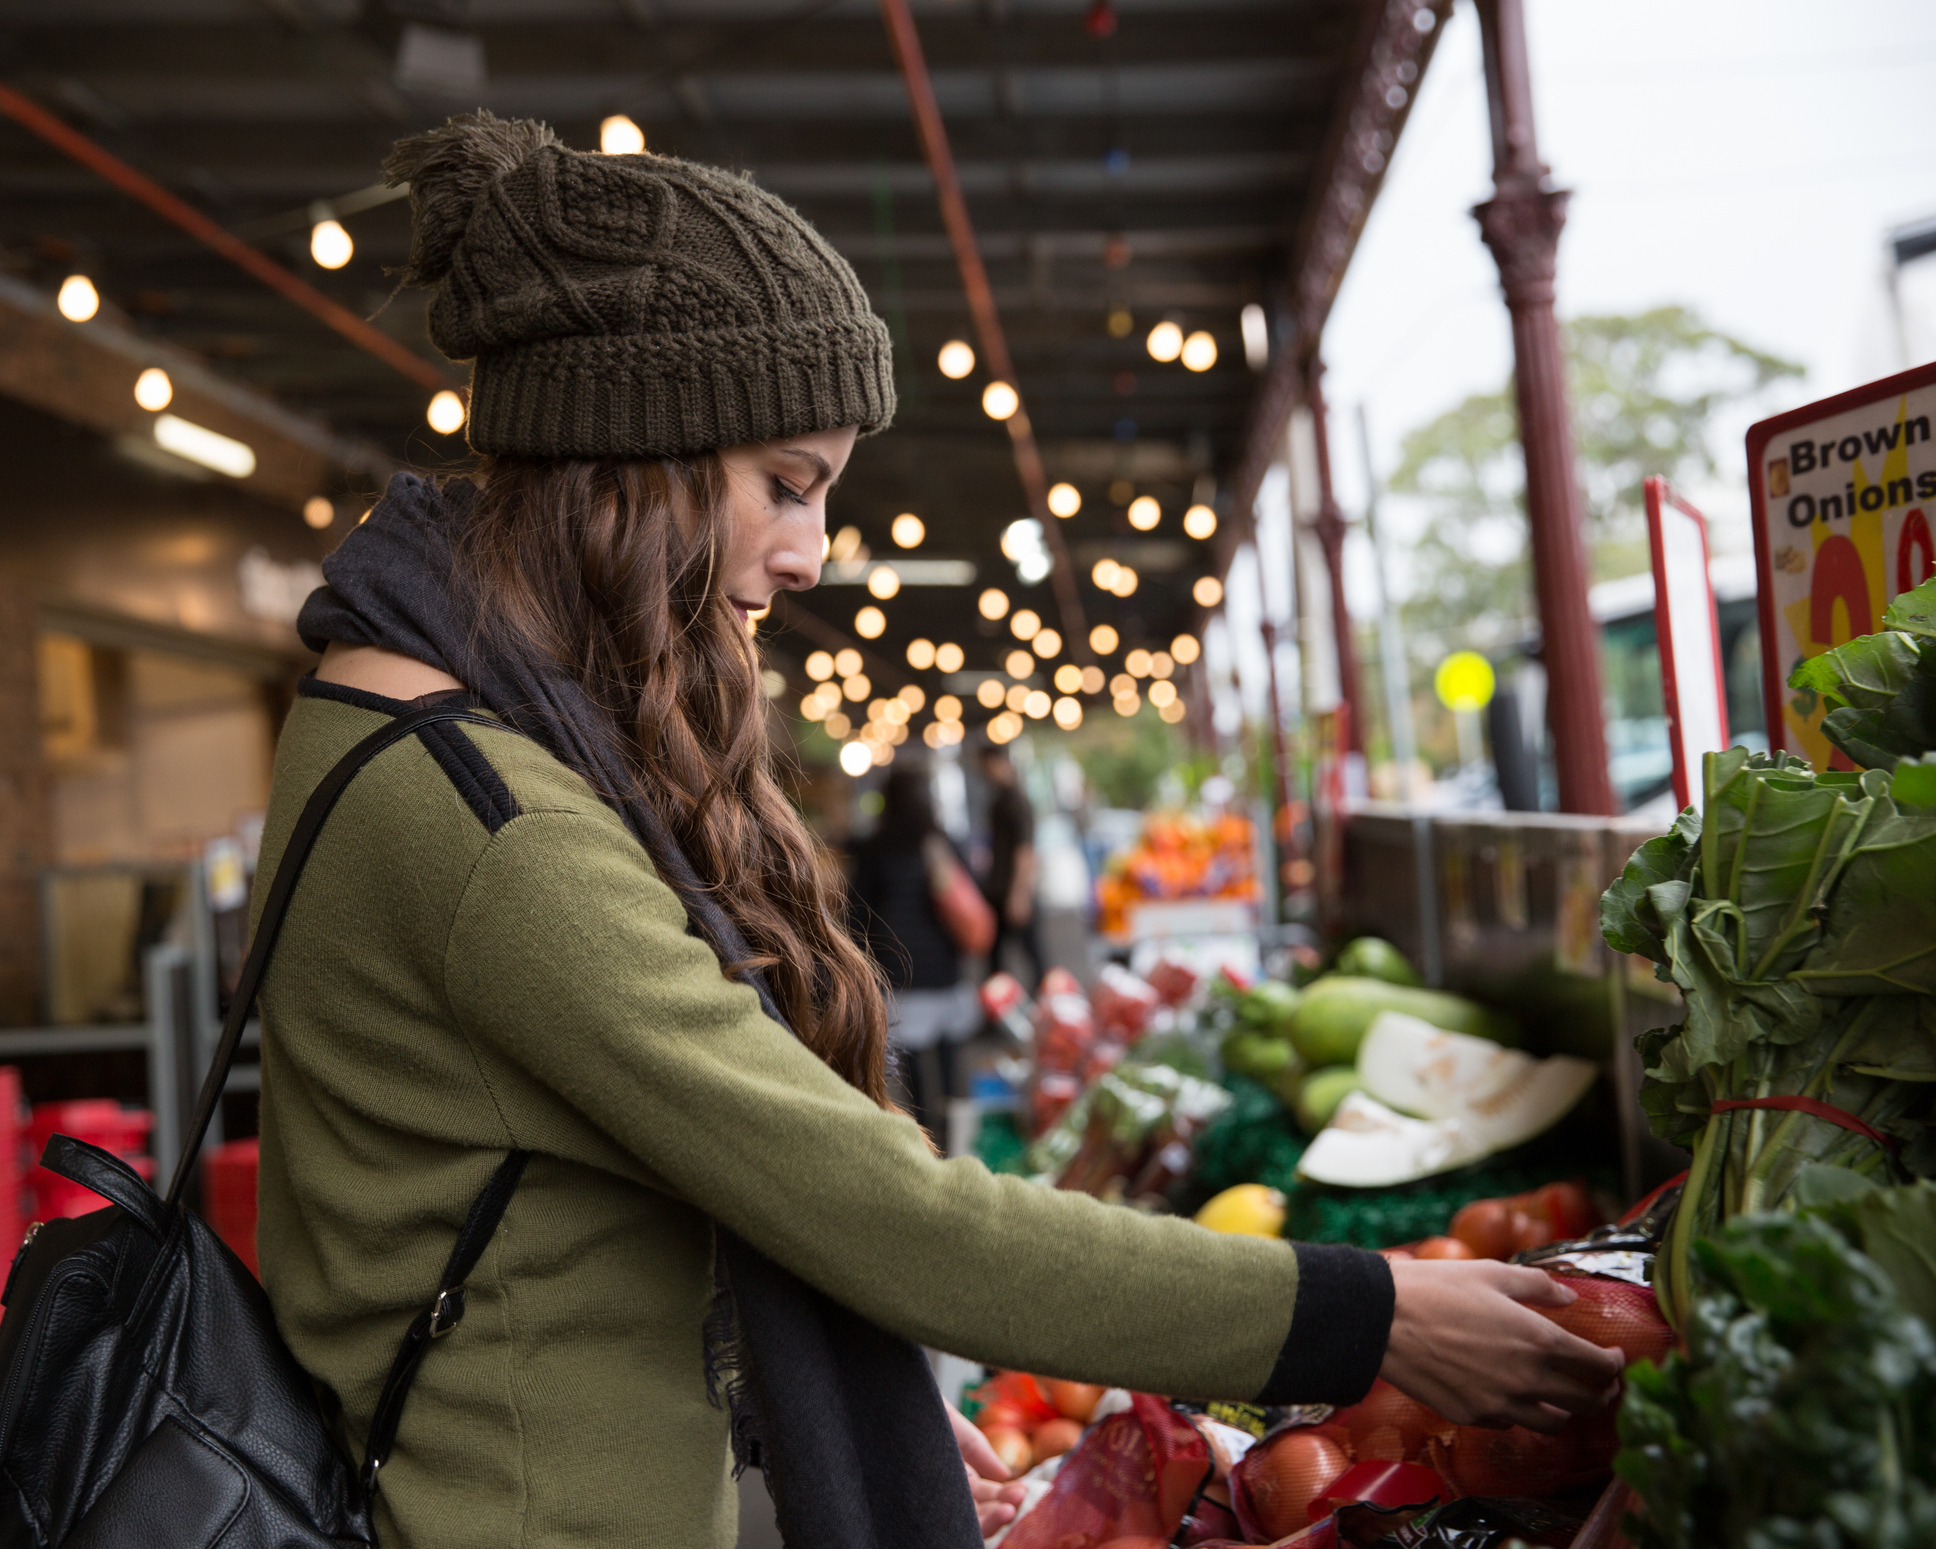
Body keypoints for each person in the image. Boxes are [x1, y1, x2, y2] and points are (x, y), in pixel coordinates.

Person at [253, 113, 1625, 1549]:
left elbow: (532, 1222)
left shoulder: (396, 715)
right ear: (633, 450)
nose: (807, 548)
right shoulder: (490, 822)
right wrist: (1373, 1313)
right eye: (783, 483)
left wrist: (806, 1413)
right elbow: (891, 1220)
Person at [847, 763, 979, 1142]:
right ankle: (958, 1130)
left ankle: (929, 1138)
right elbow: (968, 900)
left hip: (899, 970)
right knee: (951, 1056)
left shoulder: (876, 848)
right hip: (944, 967)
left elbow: (857, 912)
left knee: (913, 1062)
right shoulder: (942, 843)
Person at [978, 741, 1045, 987]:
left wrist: (1020, 894)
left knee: (1033, 956)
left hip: (1012, 890)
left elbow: (1025, 852)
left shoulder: (1017, 801)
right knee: (998, 959)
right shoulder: (1000, 800)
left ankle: (1049, 1007)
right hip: (999, 891)